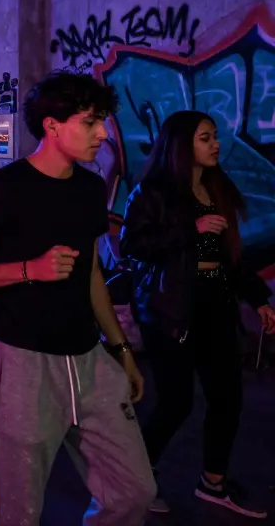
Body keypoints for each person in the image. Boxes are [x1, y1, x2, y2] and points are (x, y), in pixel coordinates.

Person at [0, 72, 156, 525]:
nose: (102, 132)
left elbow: (91, 272)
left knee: (134, 491)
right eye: (90, 121)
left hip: (87, 358)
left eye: (102, 121)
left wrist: (120, 350)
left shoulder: (90, 187)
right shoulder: (4, 188)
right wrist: (29, 270)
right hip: (20, 362)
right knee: (18, 509)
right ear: (52, 126)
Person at [120, 110, 275, 519]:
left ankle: (214, 482)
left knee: (227, 396)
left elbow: (228, 257)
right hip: (171, 307)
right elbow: (133, 244)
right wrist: (193, 228)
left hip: (216, 304)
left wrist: (258, 296)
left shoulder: (215, 186)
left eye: (214, 137)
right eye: (205, 138)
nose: (216, 144)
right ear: (181, 143)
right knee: (176, 402)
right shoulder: (153, 190)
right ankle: (138, 476)